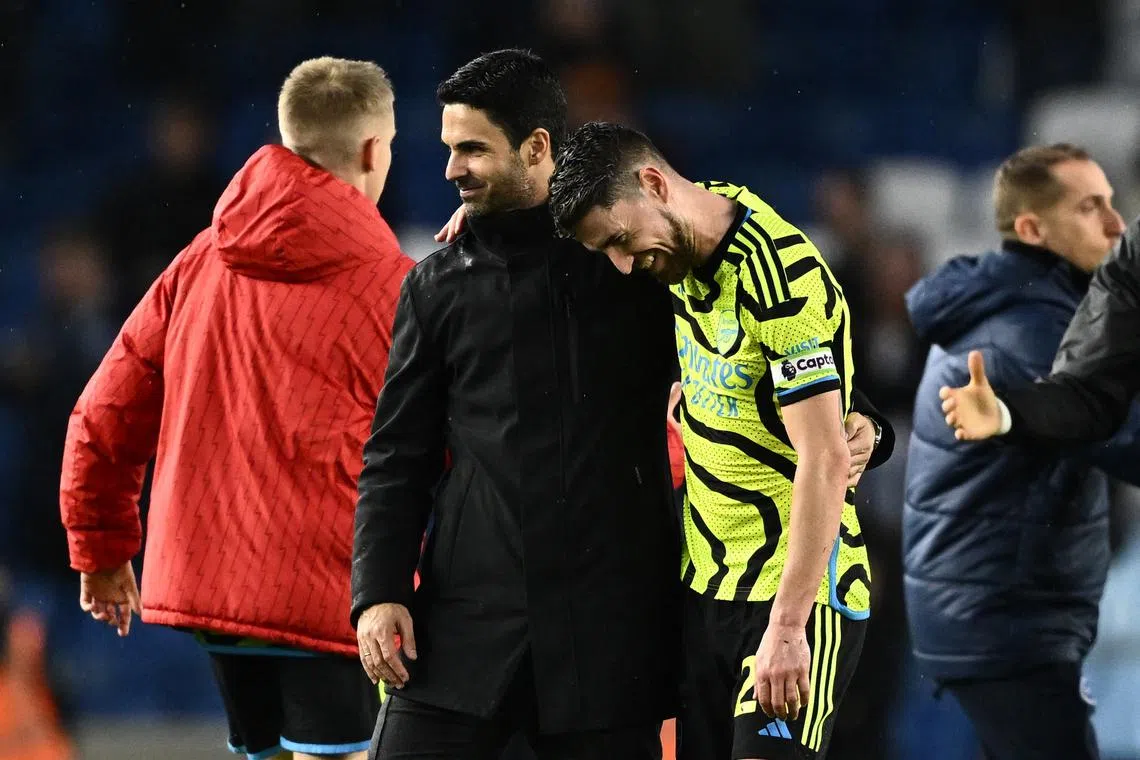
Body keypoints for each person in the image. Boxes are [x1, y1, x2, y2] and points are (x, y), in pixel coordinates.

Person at [351, 52, 890, 760]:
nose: (452, 168)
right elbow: (398, 452)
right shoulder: (442, 284)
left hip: (608, 642)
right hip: (467, 628)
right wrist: (379, 589)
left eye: (472, 149)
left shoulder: (639, 257)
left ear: (537, 149)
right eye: (450, 150)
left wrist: (866, 424)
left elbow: (780, 350)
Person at [59, 57, 411, 760]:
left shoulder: (200, 261)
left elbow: (105, 410)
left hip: (216, 590)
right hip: (329, 591)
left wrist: (101, 551)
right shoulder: (395, 288)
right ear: (375, 150)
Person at [548, 122, 881, 760]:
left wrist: (787, 629)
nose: (622, 265)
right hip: (706, 587)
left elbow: (826, 456)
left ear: (654, 185)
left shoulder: (781, 280)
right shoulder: (692, 225)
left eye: (620, 241)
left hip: (793, 595)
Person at [908, 143, 1138, 760]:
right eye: (1091, 208)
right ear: (1033, 228)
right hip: (1008, 620)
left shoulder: (1015, 304)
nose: (1117, 225)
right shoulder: (1036, 328)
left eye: (1112, 204)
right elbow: (1127, 440)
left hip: (989, 611)